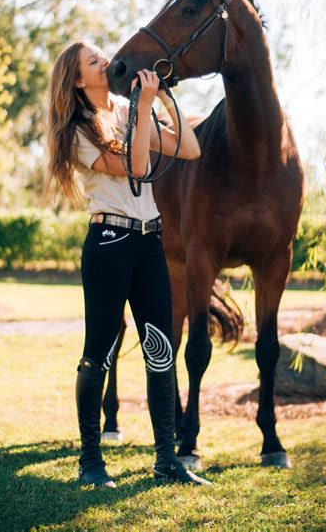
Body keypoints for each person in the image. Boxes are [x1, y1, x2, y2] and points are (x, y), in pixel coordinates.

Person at [45, 41, 211, 488]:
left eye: (101, 56)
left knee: (160, 352)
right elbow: (138, 166)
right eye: (94, 61)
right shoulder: (77, 130)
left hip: (149, 241)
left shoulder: (125, 108)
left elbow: (190, 149)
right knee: (97, 355)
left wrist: (166, 102)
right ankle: (90, 462)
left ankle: (166, 460)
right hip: (109, 243)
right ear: (79, 79)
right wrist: (142, 111)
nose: (105, 62)